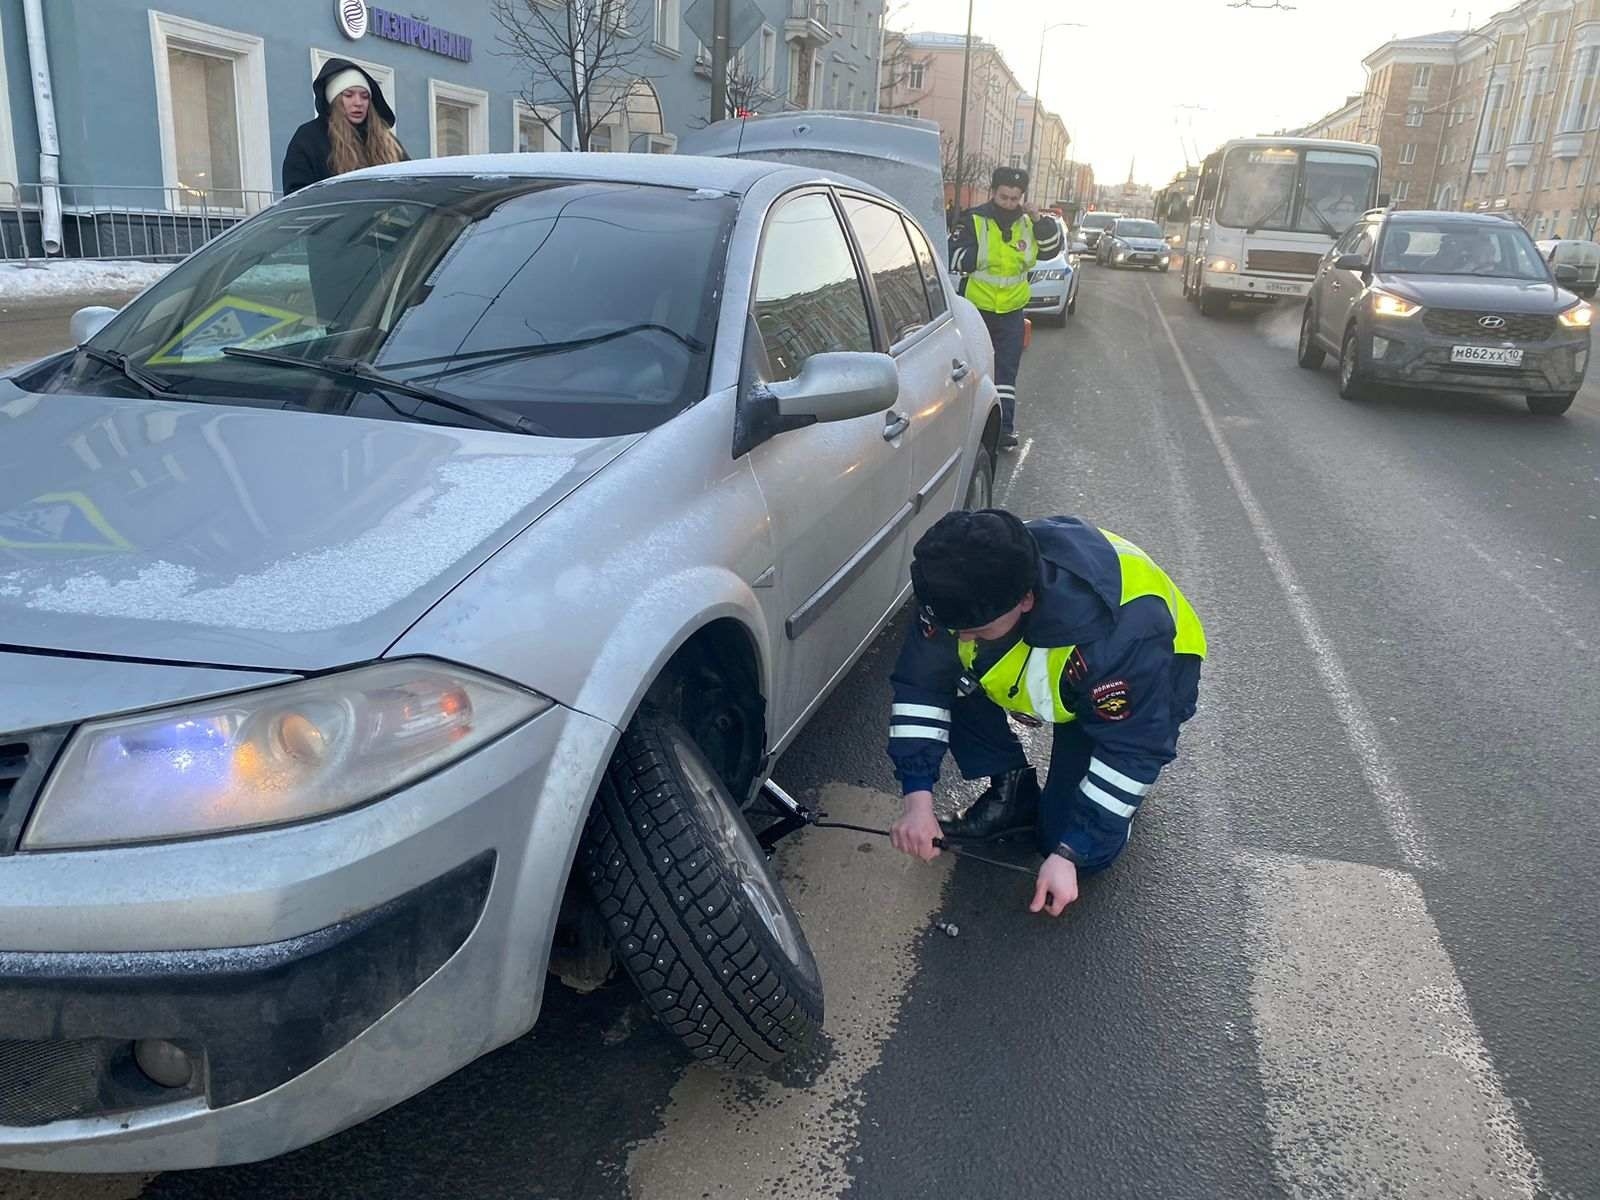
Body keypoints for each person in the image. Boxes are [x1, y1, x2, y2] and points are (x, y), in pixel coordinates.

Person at [885, 509, 1206, 916]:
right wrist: (917, 802)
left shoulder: (1120, 637)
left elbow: (1134, 749)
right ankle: (1013, 795)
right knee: (949, 675)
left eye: (978, 630)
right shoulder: (960, 583)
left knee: (1070, 845)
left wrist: (1073, 852)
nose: (962, 638)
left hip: (1147, 688)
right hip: (1055, 664)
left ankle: (1111, 819)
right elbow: (921, 686)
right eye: (956, 628)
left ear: (1027, 598)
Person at [948, 167, 1061, 450]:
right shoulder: (974, 218)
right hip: (976, 309)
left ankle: (1003, 431)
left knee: (1005, 375)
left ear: (1023, 197)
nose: (1009, 203)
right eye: (1004, 197)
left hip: (1011, 311)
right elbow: (955, 256)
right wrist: (983, 255)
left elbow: (1051, 249)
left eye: (1015, 198)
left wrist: (1038, 219)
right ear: (993, 193)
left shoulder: (1028, 223)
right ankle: (964, 429)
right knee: (971, 372)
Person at [281, 58, 408, 194]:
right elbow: (296, 194)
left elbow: (411, 183)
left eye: (365, 96)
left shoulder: (387, 141)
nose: (358, 102)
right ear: (333, 100)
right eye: (349, 95)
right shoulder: (310, 137)